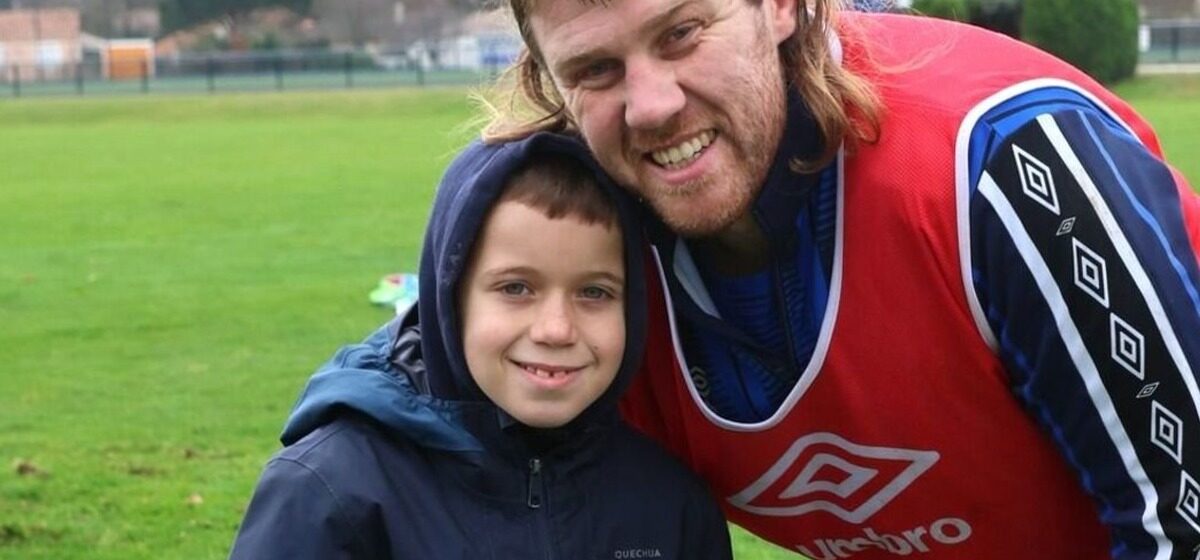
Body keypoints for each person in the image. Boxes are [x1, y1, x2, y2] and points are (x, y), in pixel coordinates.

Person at [473, 0, 1200, 558]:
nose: (652, 104)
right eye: (595, 70)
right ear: (550, 85)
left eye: (683, 33)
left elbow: (1186, 524)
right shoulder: (575, 264)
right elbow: (438, 458)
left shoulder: (1002, 165)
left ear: (780, 8)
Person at [227, 133, 733, 560]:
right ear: (449, 299)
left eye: (594, 292)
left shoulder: (670, 503)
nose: (556, 329)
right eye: (516, 288)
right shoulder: (330, 493)